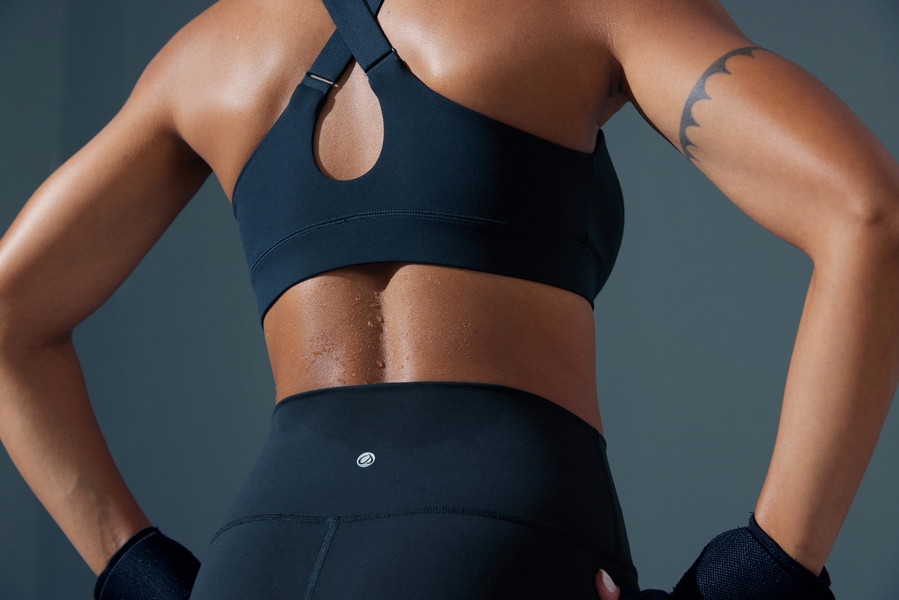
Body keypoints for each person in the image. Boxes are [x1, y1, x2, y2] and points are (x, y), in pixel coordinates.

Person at [0, 0, 896, 597]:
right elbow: (867, 213)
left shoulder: (210, 50)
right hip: (500, 545)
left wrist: (140, 572)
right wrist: (762, 572)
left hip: (259, 555)